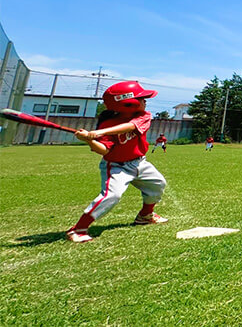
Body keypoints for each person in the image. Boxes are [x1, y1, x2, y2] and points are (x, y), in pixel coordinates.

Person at [67, 81, 168, 243]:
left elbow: (130, 127)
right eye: (141, 98)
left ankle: (145, 216)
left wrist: (99, 132)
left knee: (157, 184)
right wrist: (89, 140)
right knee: (112, 195)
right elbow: (104, 150)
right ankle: (78, 228)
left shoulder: (143, 116)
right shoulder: (107, 123)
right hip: (116, 166)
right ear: (127, 104)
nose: (145, 101)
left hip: (139, 163)